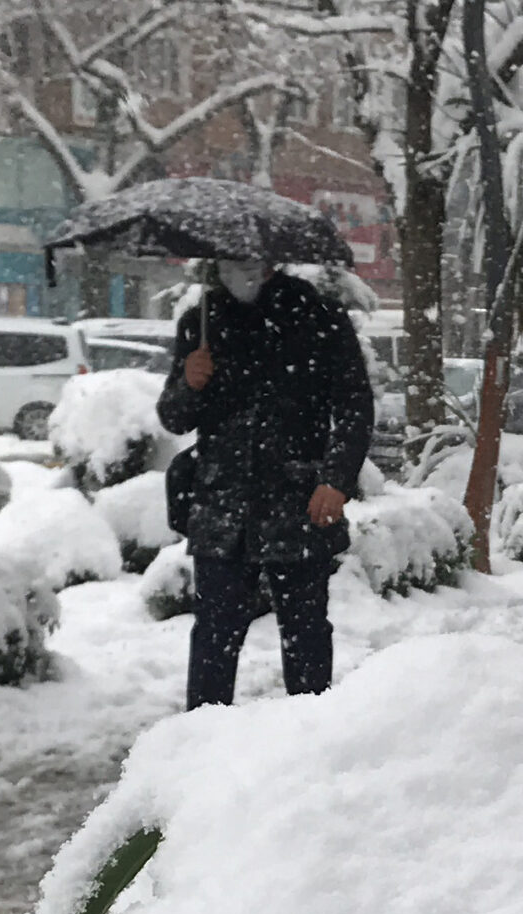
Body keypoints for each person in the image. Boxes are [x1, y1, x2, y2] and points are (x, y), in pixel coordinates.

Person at [157, 259, 375, 709]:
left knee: (306, 629)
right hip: (222, 505)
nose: (241, 271)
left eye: (251, 259)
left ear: (272, 259)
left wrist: (336, 480)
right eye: (230, 261)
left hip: (299, 501)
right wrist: (188, 383)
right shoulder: (200, 323)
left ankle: (311, 732)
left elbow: (353, 405)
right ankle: (202, 736)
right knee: (215, 632)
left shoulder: (319, 318)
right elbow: (174, 418)